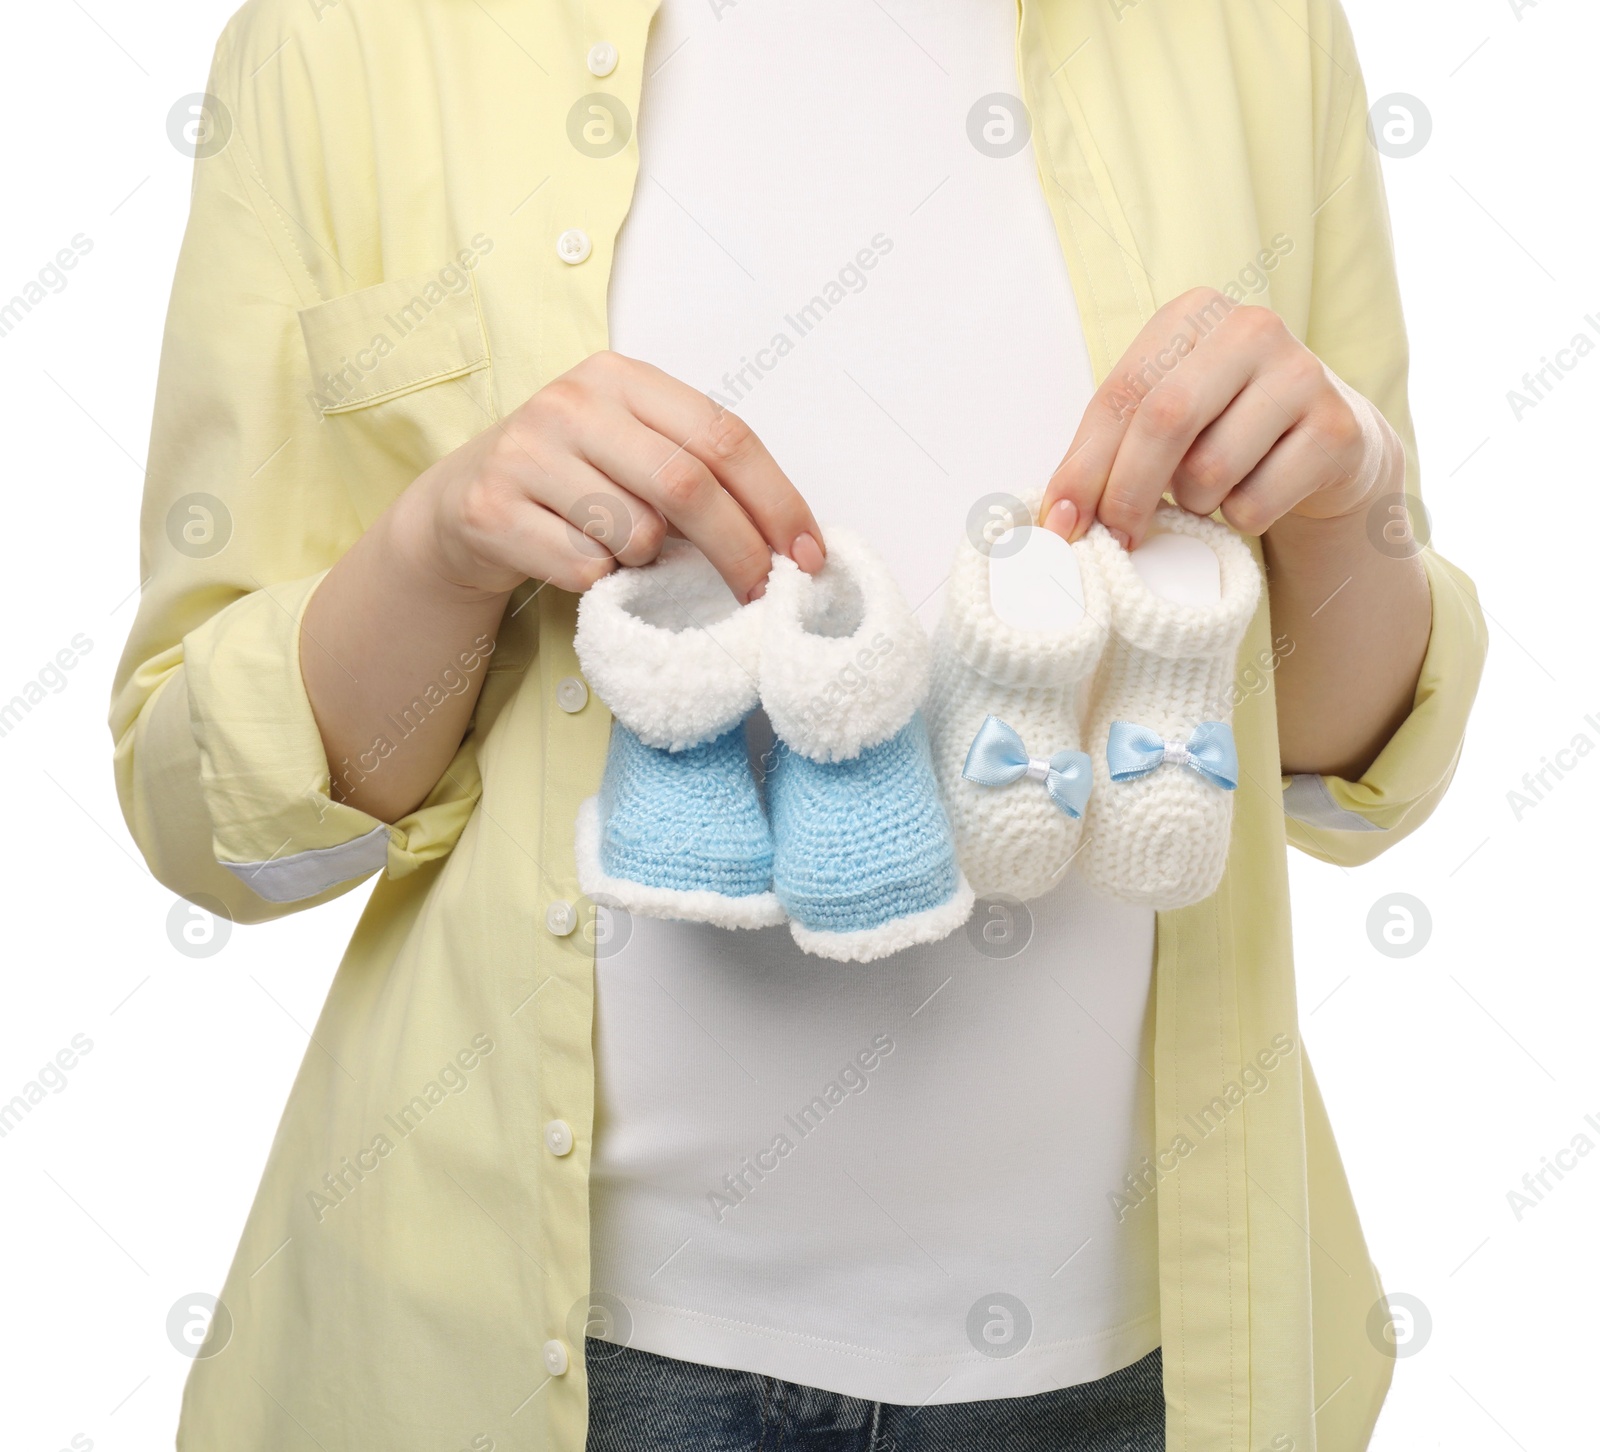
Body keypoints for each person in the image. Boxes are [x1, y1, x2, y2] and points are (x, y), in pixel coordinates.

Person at [110, 0, 1485, 1447]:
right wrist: (440, 549)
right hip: (553, 1363)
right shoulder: (346, 41)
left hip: (1144, 1366)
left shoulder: (1253, 32)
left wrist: (1352, 491)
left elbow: (1345, 775)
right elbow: (204, 815)